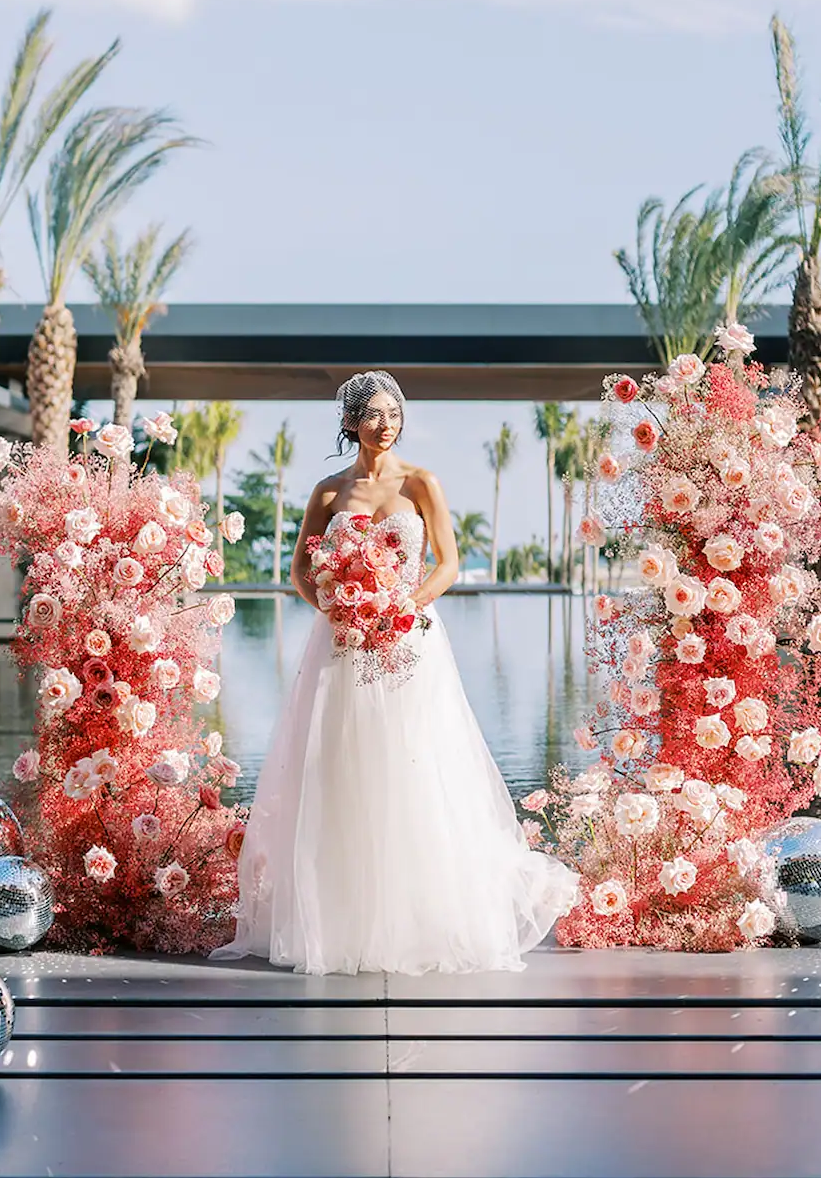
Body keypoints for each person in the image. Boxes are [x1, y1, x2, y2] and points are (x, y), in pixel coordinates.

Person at [216, 370, 578, 975]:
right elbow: (301, 573)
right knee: (340, 770)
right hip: (341, 647)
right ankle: (341, 922)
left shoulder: (421, 482)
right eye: (373, 414)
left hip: (410, 646)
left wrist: (400, 607)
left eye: (393, 413)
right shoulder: (328, 493)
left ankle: (422, 919)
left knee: (415, 765)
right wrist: (341, 609)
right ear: (351, 422)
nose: (385, 424)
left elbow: (449, 562)